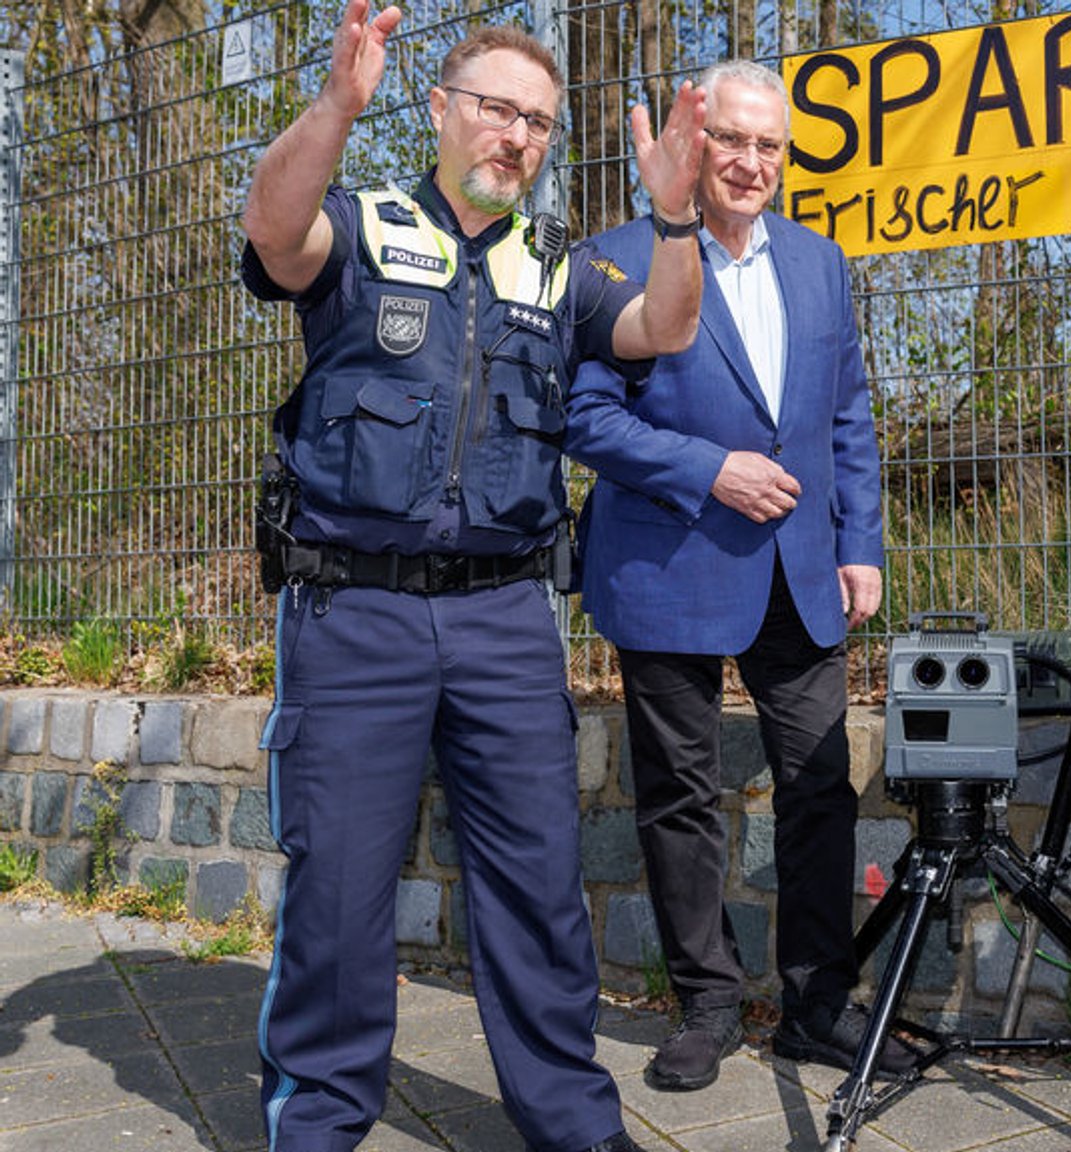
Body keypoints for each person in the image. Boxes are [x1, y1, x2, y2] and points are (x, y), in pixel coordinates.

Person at [240, 3, 707, 1149]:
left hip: (505, 617)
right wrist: (335, 106)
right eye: (496, 108)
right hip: (354, 612)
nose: (516, 135)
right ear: (440, 109)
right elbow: (271, 229)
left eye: (538, 122)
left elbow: (664, 328)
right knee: (341, 892)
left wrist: (676, 216)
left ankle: (569, 1122)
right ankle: (319, 1120)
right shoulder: (360, 228)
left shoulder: (562, 270)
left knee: (539, 891)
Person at [564, 58, 899, 1093]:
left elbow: (846, 415)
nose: (751, 162)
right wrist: (709, 470)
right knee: (679, 799)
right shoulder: (610, 263)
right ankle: (705, 1006)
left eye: (770, 144)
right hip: (668, 567)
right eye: (731, 141)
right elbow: (585, 418)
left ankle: (812, 1005)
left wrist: (860, 545)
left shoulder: (819, 263)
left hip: (800, 574)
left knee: (818, 791)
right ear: (690, 145)